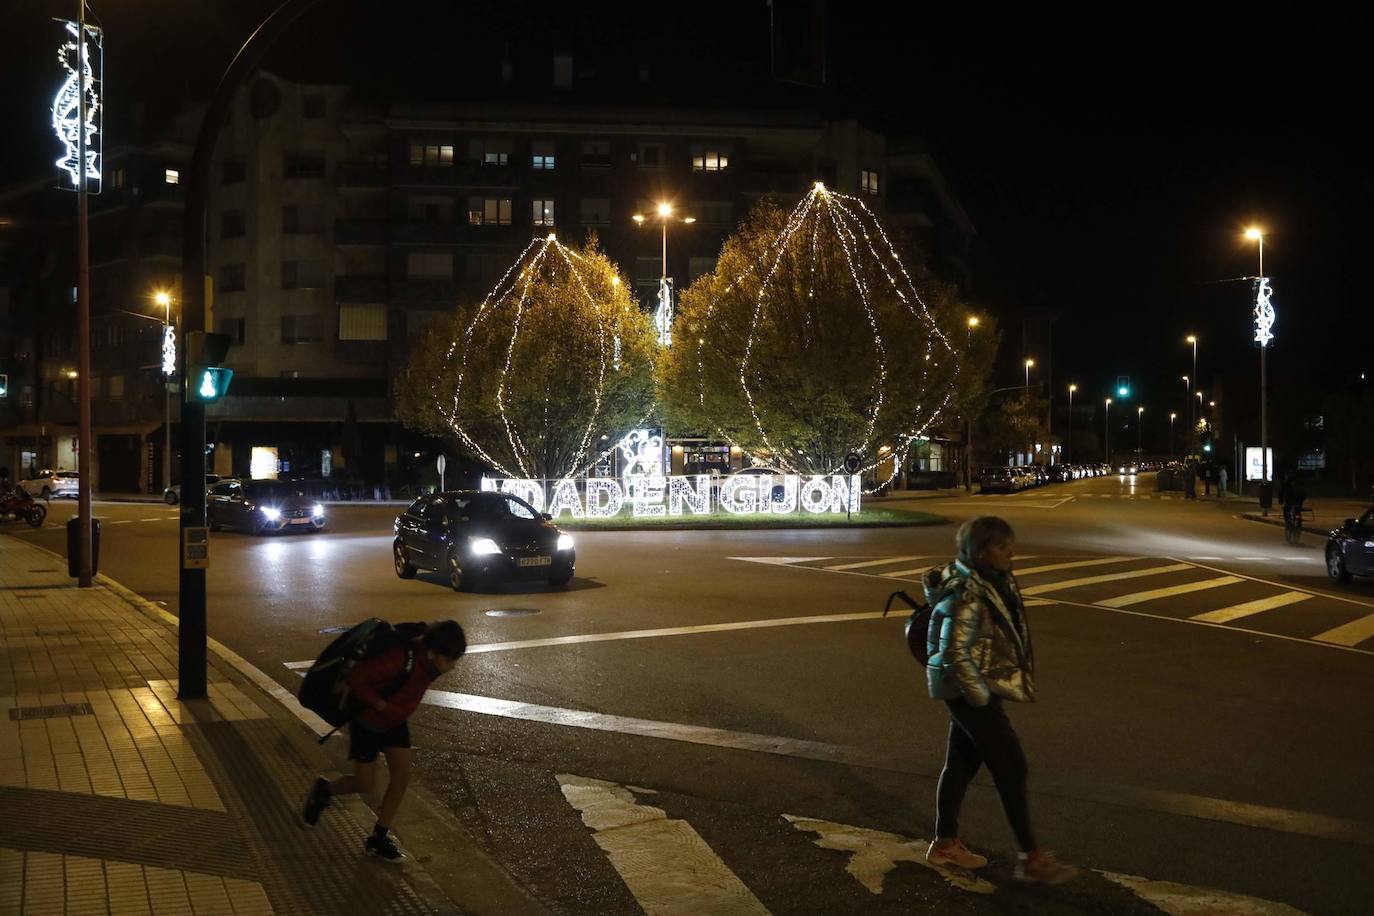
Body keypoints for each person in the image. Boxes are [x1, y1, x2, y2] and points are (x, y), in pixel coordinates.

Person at [921, 516, 1078, 885]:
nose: (1011, 552)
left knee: (960, 763)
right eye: (1001, 546)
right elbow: (954, 655)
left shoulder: (990, 581)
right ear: (979, 552)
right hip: (969, 692)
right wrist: (981, 700)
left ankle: (945, 844)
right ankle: (1031, 857)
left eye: (1010, 544)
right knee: (1011, 766)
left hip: (973, 687)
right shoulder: (967, 593)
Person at [302, 620, 467, 862]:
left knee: (401, 776)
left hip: (394, 720)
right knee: (365, 782)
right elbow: (356, 677)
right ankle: (324, 790)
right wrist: (381, 705)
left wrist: (392, 711)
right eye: (450, 659)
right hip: (369, 722)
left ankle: (378, 838)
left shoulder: (431, 660)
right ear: (432, 653)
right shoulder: (399, 658)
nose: (452, 666)